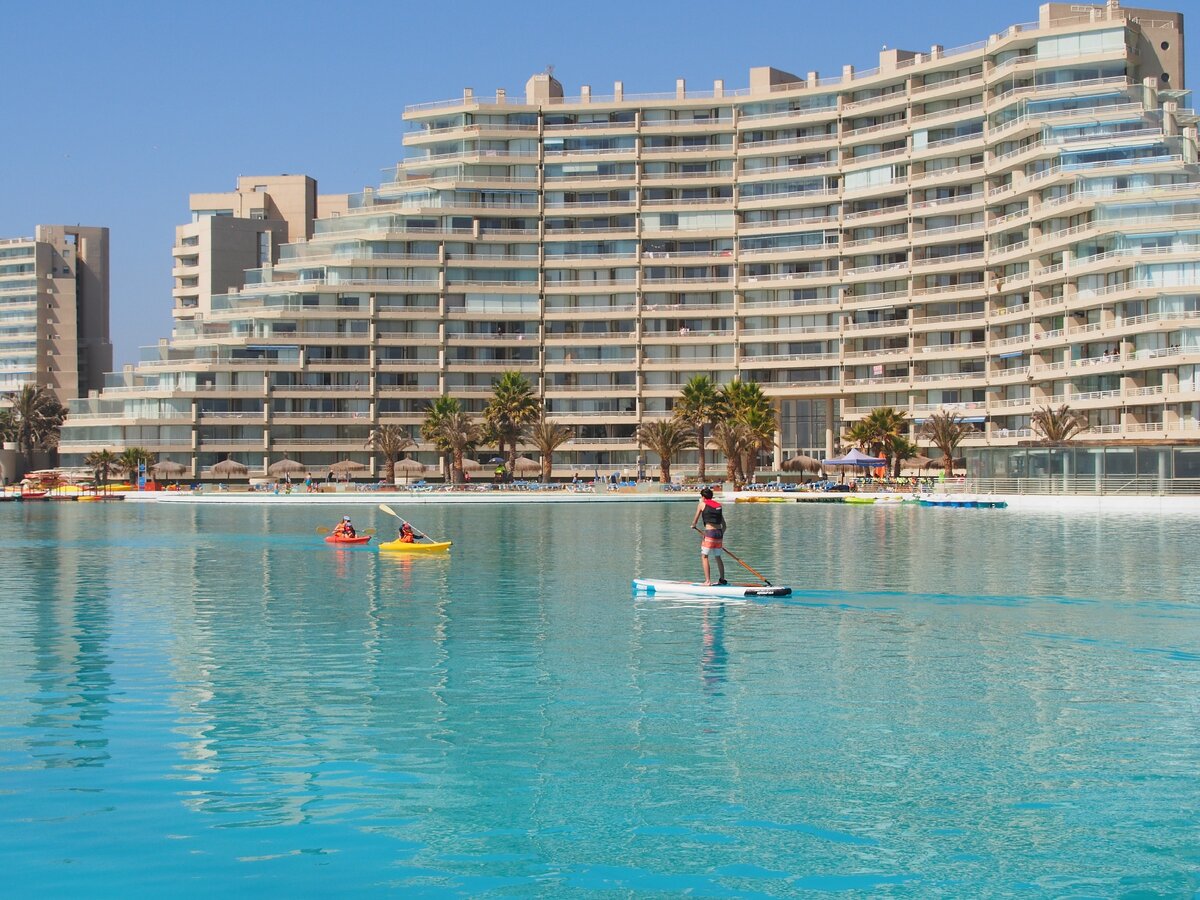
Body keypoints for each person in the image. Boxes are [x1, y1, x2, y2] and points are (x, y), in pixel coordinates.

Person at [690, 487, 727, 586]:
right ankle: (722, 579)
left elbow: (695, 520)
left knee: (704, 556)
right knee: (718, 556)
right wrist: (719, 536)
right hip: (719, 533)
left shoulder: (702, 504)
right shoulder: (718, 506)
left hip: (710, 533)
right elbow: (725, 526)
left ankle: (707, 581)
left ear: (703, 497)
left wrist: (693, 525)